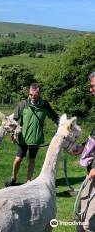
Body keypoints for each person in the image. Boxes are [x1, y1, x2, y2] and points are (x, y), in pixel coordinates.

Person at [5, 83, 59, 186]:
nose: (32, 97)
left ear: (39, 94)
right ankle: (13, 178)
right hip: (23, 138)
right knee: (18, 159)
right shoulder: (23, 104)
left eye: (35, 95)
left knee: (32, 159)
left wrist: (64, 126)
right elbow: (13, 120)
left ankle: (28, 181)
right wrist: (12, 132)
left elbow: (54, 117)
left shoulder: (44, 105)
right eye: (30, 94)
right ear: (29, 93)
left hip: (36, 138)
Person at [73, 71, 95, 232]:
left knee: (88, 223)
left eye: (93, 86)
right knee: (80, 218)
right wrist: (82, 147)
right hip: (91, 173)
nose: (91, 89)